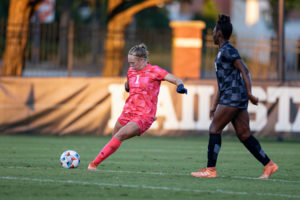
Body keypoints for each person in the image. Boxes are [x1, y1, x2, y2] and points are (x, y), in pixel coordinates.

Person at [191, 14, 278, 179]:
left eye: (214, 30)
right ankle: (269, 165)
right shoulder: (222, 52)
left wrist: (250, 93)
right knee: (244, 134)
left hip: (233, 96)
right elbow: (223, 83)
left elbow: (244, 70)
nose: (213, 33)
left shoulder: (228, 50)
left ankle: (210, 170)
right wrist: (214, 105)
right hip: (234, 96)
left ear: (219, 34)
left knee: (214, 129)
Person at [88, 43, 187, 170]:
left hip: (143, 114)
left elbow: (176, 79)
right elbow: (129, 84)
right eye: (129, 63)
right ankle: (98, 161)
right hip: (128, 111)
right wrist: (127, 86)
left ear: (142, 60)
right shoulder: (131, 71)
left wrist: (180, 86)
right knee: (115, 136)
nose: (130, 66)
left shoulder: (155, 71)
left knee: (119, 136)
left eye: (133, 62)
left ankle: (93, 164)